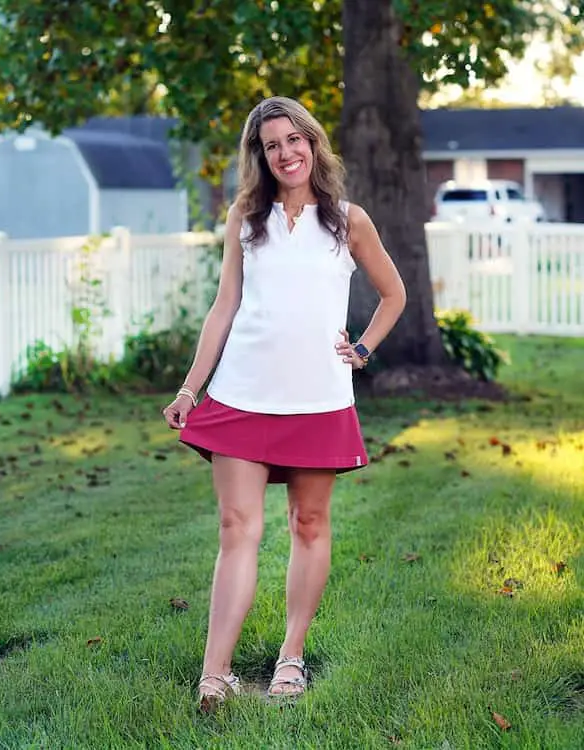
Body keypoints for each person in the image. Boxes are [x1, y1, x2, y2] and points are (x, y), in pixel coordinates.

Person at [163, 96, 406, 712]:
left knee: (309, 524)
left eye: (295, 139)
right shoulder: (245, 219)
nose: (286, 152)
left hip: (318, 397)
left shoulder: (348, 221)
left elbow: (393, 293)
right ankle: (214, 674)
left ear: (314, 144)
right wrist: (191, 387)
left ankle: (290, 660)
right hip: (242, 393)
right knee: (236, 528)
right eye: (272, 144)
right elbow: (224, 308)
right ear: (260, 155)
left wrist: (365, 349)